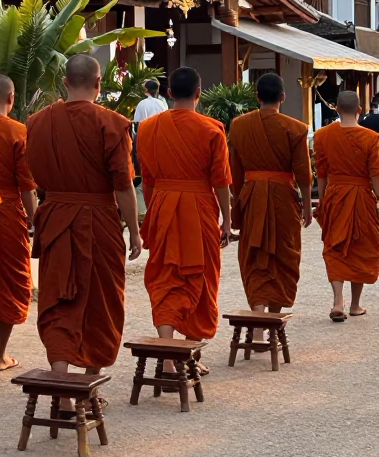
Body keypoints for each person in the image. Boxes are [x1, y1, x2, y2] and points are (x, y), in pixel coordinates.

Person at [26, 54, 142, 406]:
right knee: (100, 300)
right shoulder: (111, 124)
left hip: (57, 217)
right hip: (98, 219)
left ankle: (61, 387)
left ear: (65, 82)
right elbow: (123, 185)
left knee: (59, 298)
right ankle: (89, 385)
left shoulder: (37, 123)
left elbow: (33, 174)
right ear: (98, 84)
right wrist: (134, 231)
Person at [136, 66, 231, 365]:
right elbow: (221, 181)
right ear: (199, 94)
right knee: (199, 276)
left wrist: (154, 211)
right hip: (199, 207)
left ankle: (167, 353)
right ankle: (187, 353)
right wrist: (227, 218)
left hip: (163, 203)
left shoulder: (148, 129)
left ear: (169, 93)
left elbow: (147, 180)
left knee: (165, 277)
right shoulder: (212, 129)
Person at [228, 72, 312, 314]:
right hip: (282, 198)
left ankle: (258, 317)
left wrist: (237, 206)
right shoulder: (295, 128)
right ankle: (273, 318)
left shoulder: (239, 125)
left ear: (257, 97)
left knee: (254, 255)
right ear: (283, 97)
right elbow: (303, 174)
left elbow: (236, 170)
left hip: (252, 195)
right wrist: (307, 206)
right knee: (283, 254)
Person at [0, 74, 37, 374]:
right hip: (8, 212)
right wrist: (34, 220)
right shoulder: (18, 132)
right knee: (12, 282)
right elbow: (26, 185)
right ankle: (0, 354)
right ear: (11, 99)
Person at [314, 90, 379, 321]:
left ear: (337, 109)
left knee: (334, 247)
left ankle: (337, 301)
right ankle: (355, 304)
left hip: (335, 195)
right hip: (362, 196)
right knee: (360, 247)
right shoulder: (372, 138)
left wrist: (323, 202)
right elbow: (375, 177)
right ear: (359, 110)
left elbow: (321, 174)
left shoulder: (322, 136)